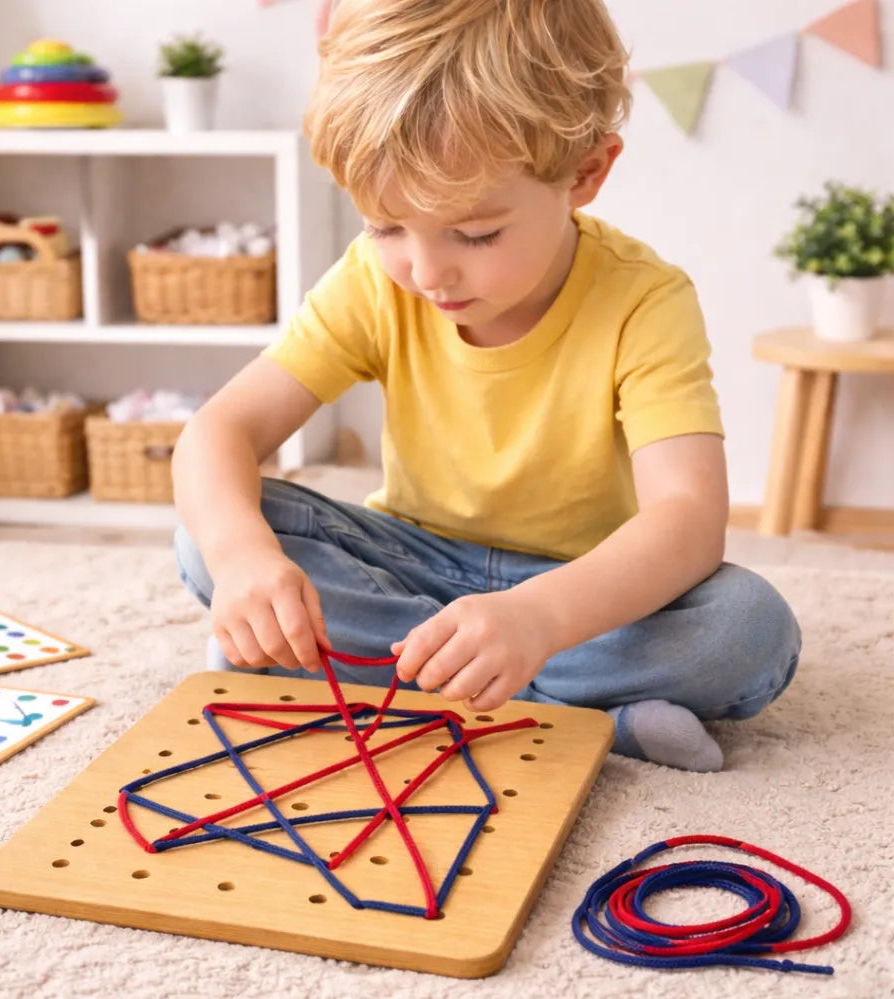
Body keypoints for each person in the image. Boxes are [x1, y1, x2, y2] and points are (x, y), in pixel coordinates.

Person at [172, 0, 801, 772]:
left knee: (745, 630)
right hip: (411, 558)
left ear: (586, 173)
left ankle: (393, 678)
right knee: (213, 537)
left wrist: (538, 617)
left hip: (576, 591)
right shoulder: (378, 284)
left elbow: (689, 518)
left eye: (474, 234)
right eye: (385, 226)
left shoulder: (645, 299)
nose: (426, 272)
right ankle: (585, 714)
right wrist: (243, 559)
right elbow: (219, 432)